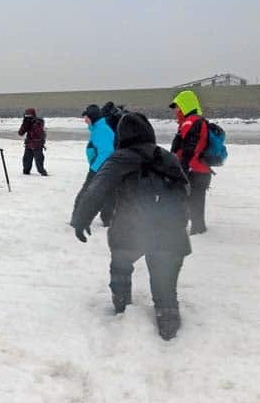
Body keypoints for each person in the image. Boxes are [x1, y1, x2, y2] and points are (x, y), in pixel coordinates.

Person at [71, 112, 191, 340]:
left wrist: (81, 219)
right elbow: (185, 192)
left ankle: (123, 309)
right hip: (170, 233)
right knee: (164, 284)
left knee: (120, 266)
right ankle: (169, 325)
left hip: (131, 230)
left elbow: (96, 189)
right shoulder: (166, 157)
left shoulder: (119, 159)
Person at [168, 90, 212, 235]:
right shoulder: (199, 120)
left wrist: (181, 170)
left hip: (193, 170)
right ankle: (198, 228)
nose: (176, 111)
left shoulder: (190, 122)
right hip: (201, 170)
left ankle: (196, 230)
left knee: (186, 199)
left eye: (178, 107)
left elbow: (188, 150)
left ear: (185, 106)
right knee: (197, 200)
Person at [71, 104, 116, 226]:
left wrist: (94, 169)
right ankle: (107, 220)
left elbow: (106, 152)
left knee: (86, 194)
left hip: (100, 168)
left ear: (93, 117)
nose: (85, 120)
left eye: (86, 117)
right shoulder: (97, 128)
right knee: (107, 194)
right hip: (104, 168)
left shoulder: (102, 130)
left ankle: (78, 220)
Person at [17, 108, 48, 175]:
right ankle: (26, 173)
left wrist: (33, 123)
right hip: (29, 144)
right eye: (26, 116)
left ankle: (42, 172)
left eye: (29, 116)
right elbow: (20, 133)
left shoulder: (39, 121)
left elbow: (38, 133)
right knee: (26, 161)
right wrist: (25, 124)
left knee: (39, 160)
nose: (28, 117)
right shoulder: (26, 122)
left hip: (37, 144)